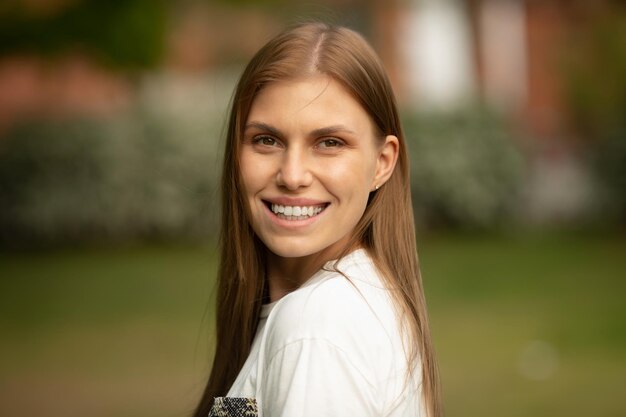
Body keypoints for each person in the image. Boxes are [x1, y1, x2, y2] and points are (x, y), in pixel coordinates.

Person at [193, 22, 441, 417]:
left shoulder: (316, 327)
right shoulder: (341, 303)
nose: (292, 176)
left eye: (329, 143)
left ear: (382, 163)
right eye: (266, 140)